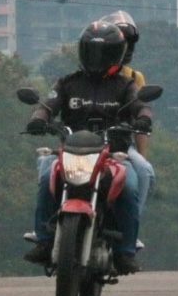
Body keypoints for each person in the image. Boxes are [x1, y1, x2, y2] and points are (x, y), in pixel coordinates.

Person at [23, 21, 152, 275]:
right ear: (81, 52)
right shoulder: (67, 83)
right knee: (47, 175)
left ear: (116, 54)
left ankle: (125, 251)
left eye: (103, 53)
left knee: (130, 185)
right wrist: (38, 118)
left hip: (112, 154)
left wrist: (144, 118)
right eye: (91, 52)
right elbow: (48, 105)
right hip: (70, 152)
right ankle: (43, 240)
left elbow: (140, 105)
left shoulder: (125, 86)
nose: (96, 59)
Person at [98, 10, 156, 220]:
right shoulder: (82, 76)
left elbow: (141, 112)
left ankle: (132, 225)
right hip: (82, 143)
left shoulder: (133, 78)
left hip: (120, 143)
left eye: (128, 44)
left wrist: (142, 155)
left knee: (144, 171)